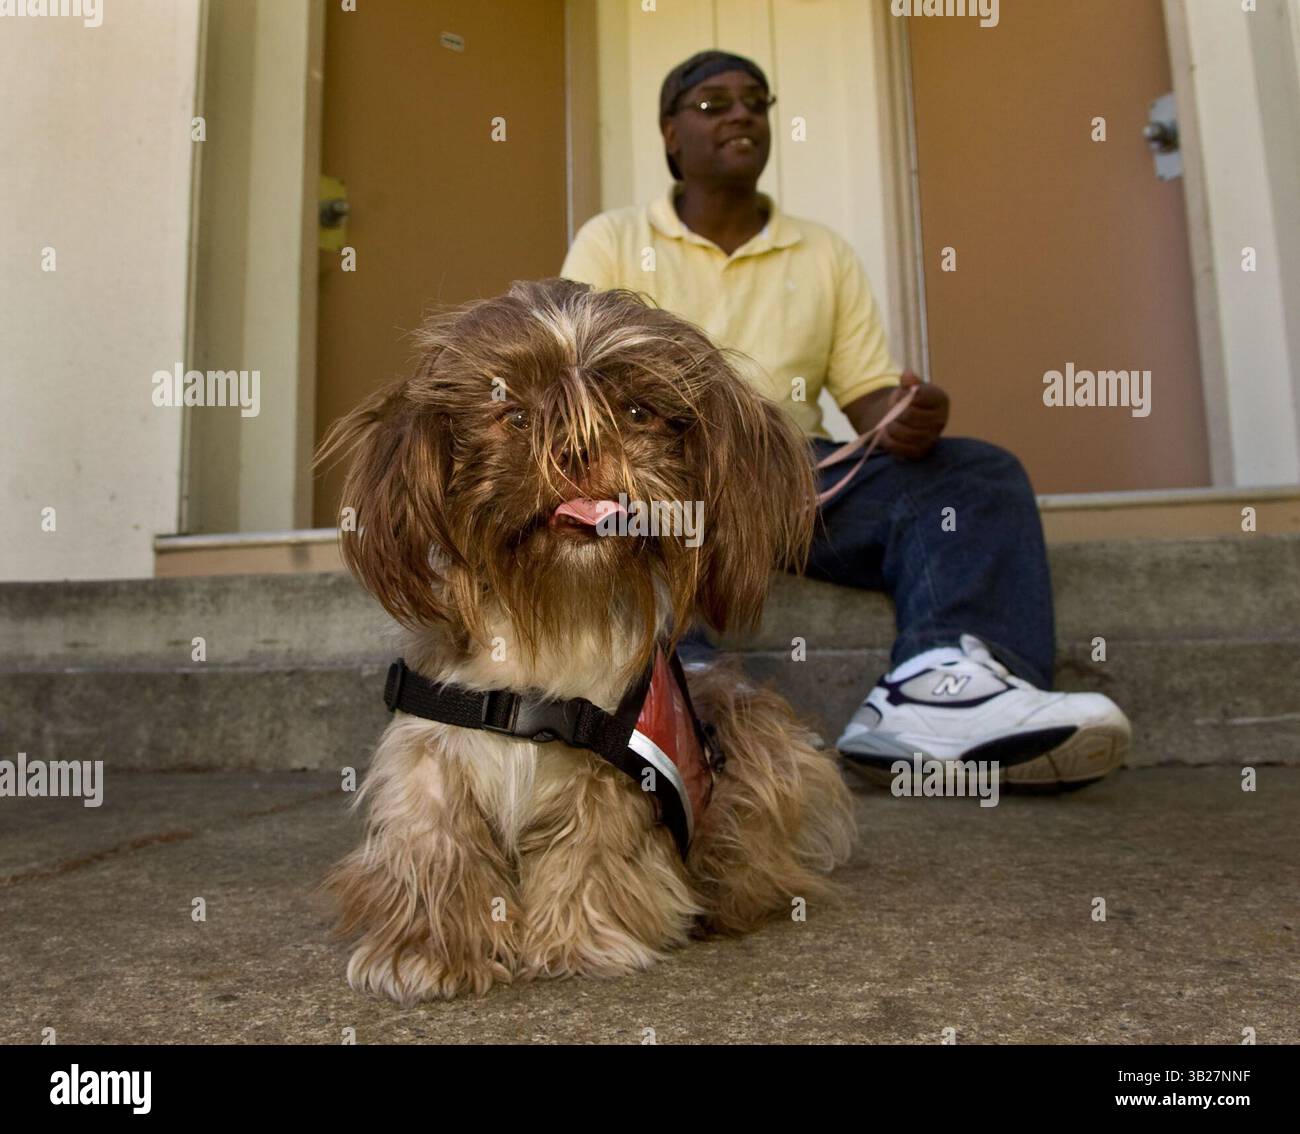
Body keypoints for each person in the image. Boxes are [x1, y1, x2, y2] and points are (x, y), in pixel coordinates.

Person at [560, 50, 1130, 788]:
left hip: (793, 479)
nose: (740, 115)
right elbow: (576, 380)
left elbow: (870, 404)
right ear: (670, 134)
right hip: (666, 482)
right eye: (713, 104)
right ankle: (678, 684)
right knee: (615, 503)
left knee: (976, 473)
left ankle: (941, 687)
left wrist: (910, 415)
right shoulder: (611, 238)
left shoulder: (822, 251)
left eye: (755, 101)